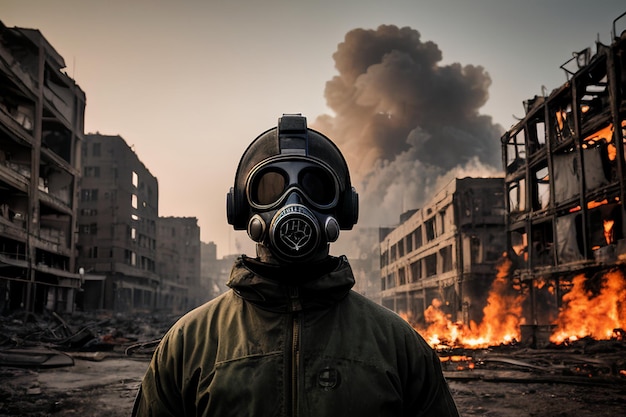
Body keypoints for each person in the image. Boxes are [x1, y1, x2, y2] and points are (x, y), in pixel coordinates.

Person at [132, 114, 460, 417]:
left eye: (315, 186)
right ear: (242, 209)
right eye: (271, 187)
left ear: (344, 209)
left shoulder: (399, 346)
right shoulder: (187, 344)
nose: (293, 200)